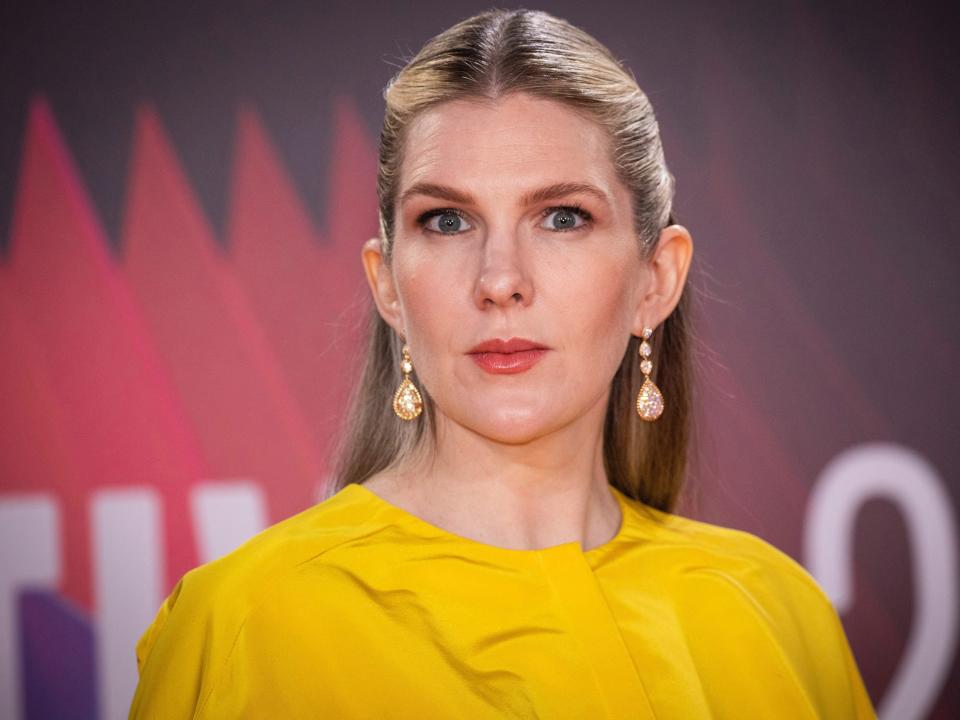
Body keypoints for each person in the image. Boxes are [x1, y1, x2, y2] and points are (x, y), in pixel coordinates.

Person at [129, 8, 876, 719]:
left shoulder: (779, 612)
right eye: (447, 221)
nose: (499, 280)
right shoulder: (244, 626)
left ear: (656, 279)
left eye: (562, 217)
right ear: (388, 283)